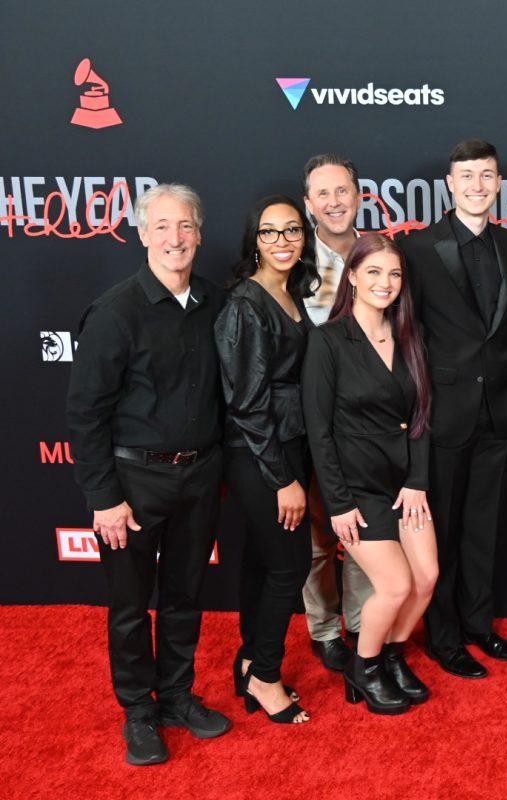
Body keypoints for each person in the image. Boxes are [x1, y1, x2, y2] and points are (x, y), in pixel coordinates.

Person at [67, 183, 231, 765]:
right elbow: (85, 412)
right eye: (161, 227)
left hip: (200, 476)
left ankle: (178, 697)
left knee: (186, 595)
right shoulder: (115, 312)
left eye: (185, 226)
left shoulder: (217, 302)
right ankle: (138, 712)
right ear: (141, 235)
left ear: (199, 234)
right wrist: (104, 498)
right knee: (132, 606)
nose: (174, 239)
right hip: (133, 486)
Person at [399, 139, 507, 679]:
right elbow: (407, 336)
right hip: (444, 413)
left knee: (485, 529)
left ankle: (479, 626)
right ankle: (445, 636)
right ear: (449, 185)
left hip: (500, 412)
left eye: (487, 175)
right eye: (467, 176)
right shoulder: (417, 249)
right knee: (446, 531)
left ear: (498, 183)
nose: (477, 185)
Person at [302, 233, 438, 714]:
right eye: (375, 272)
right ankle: (365, 670)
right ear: (353, 276)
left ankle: (393, 655)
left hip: (405, 485)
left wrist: (418, 479)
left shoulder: (408, 335)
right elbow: (319, 433)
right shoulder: (327, 340)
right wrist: (338, 504)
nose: (385, 283)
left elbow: (422, 415)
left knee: (426, 578)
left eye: (395, 274)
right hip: (357, 490)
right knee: (396, 585)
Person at [215, 195, 319, 725]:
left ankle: (249, 658)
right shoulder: (245, 305)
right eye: (269, 232)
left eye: (291, 231)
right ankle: (266, 675)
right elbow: (247, 402)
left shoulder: (292, 291)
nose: (282, 241)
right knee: (290, 565)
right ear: (253, 240)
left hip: (288, 445)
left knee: (262, 561)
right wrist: (284, 479)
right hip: (260, 455)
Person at [300, 154, 371, 673]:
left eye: (342, 190)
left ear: (359, 195)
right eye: (323, 194)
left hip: (371, 427)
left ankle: (366, 627)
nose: (334, 202)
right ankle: (325, 632)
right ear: (308, 205)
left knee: (369, 535)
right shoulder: (294, 262)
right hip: (315, 424)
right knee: (321, 539)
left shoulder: (382, 256)